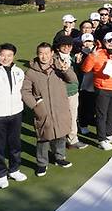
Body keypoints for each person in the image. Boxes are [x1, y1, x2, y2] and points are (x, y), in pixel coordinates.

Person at [22, 43, 77, 176]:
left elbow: (73, 80)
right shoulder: (31, 72)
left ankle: (60, 158)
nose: (44, 56)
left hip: (60, 108)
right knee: (43, 138)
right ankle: (42, 163)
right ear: (37, 54)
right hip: (43, 110)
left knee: (61, 134)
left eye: (47, 53)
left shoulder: (59, 66)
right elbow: (25, 91)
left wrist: (66, 70)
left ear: (52, 53)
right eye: (41, 53)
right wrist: (36, 106)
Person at [81, 32, 112, 151]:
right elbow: (85, 69)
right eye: (109, 41)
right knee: (101, 114)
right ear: (104, 42)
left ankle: (109, 133)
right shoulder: (98, 53)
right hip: (102, 88)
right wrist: (91, 56)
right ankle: (101, 139)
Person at [0, 43, 27, 188]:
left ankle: (14, 170)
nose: (6, 58)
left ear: (13, 56)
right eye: (3, 55)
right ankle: (1, 174)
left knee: (15, 144)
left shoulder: (19, 71)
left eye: (9, 55)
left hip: (16, 113)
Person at [55, 36, 87, 150]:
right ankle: (60, 141)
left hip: (73, 92)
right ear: (58, 47)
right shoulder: (54, 59)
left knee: (73, 117)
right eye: (64, 46)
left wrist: (78, 64)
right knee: (60, 118)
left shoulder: (74, 58)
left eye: (69, 46)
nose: (67, 48)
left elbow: (77, 76)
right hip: (60, 93)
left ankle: (72, 140)